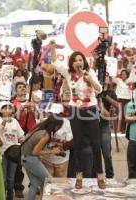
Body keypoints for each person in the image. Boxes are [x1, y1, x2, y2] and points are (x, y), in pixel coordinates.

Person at [51, 41, 106, 189]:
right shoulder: (68, 74)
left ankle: (100, 175)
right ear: (72, 63)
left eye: (80, 59)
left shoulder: (90, 72)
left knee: (96, 144)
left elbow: (99, 89)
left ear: (84, 62)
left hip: (91, 109)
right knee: (79, 144)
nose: (78, 62)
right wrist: (52, 48)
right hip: (75, 110)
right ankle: (79, 176)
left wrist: (88, 77)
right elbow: (55, 62)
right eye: (75, 60)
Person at [21, 115, 63, 200]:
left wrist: (50, 149)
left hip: (24, 158)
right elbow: (35, 152)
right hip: (31, 159)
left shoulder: (39, 129)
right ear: (56, 126)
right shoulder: (45, 135)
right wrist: (52, 151)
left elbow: (35, 146)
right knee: (49, 181)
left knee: (34, 183)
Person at [0, 102, 24, 200]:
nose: (7, 110)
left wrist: (23, 142)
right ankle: (2, 196)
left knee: (11, 178)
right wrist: (4, 121)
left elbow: (21, 136)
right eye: (5, 108)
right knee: (3, 178)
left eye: (9, 108)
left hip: (14, 154)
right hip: (2, 153)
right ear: (0, 110)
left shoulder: (15, 121)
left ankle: (10, 197)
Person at [41, 103, 73, 178]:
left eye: (55, 114)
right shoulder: (43, 122)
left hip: (62, 161)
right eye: (50, 113)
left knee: (60, 185)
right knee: (47, 184)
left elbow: (70, 140)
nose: (52, 116)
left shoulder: (67, 123)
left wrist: (61, 145)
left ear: (61, 114)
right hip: (46, 160)